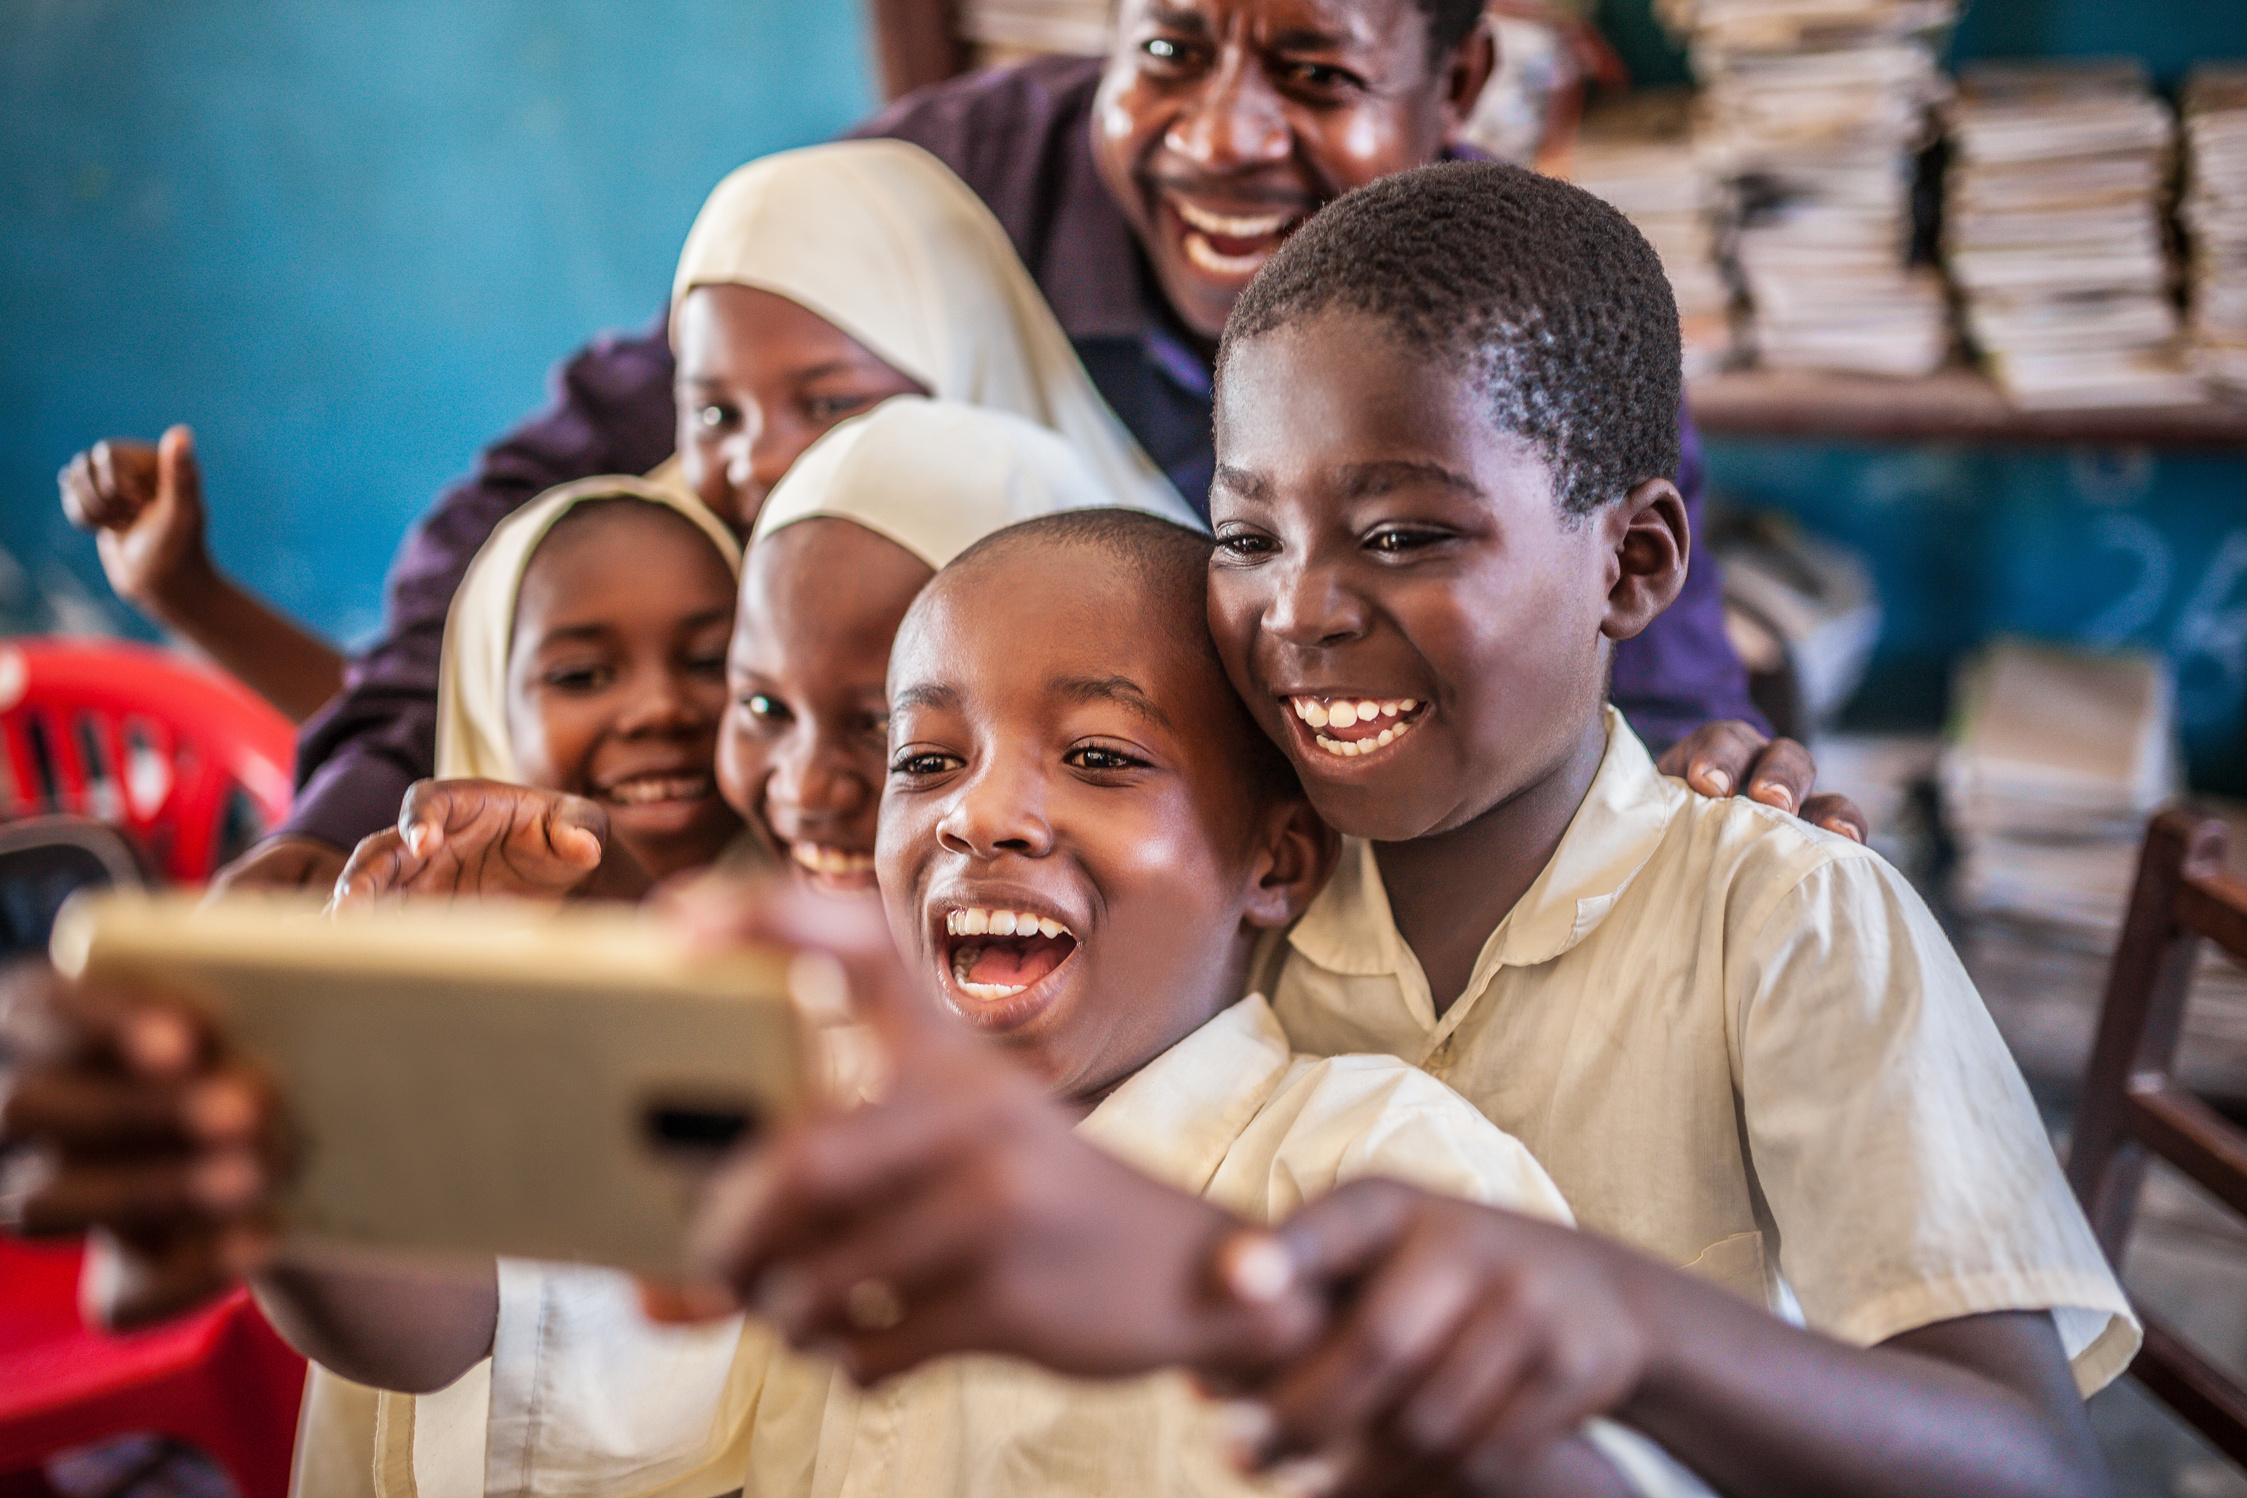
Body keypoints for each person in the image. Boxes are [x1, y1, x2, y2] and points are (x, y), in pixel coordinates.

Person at [639, 162, 2136, 1498]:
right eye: (1244, 534)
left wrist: (1611, 1313)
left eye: (1405, 532)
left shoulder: (1781, 914)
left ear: (1632, 561)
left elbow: (2025, 1465)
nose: (1296, 610)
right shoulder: (1206, 886)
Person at [0, 511, 1702, 1498]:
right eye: (928, 760)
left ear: (1276, 859)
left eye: (1099, 756)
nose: (980, 814)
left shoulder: (1374, 1170)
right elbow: (451, 1326)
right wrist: (291, 1146)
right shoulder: (792, 1109)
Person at [119, 0, 1843, 897]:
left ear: (1453, 71)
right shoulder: (927, 209)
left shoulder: (1523, 312)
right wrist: (346, 804)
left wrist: (1707, 785)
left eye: (1313, 68)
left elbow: (1637, 662)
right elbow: (543, 492)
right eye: (1165, 49)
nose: (1222, 134)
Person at [327, 473, 747, 907]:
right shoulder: (415, 957)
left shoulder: (813, 949)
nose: (661, 709)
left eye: (711, 661)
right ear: (486, 706)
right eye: (581, 676)